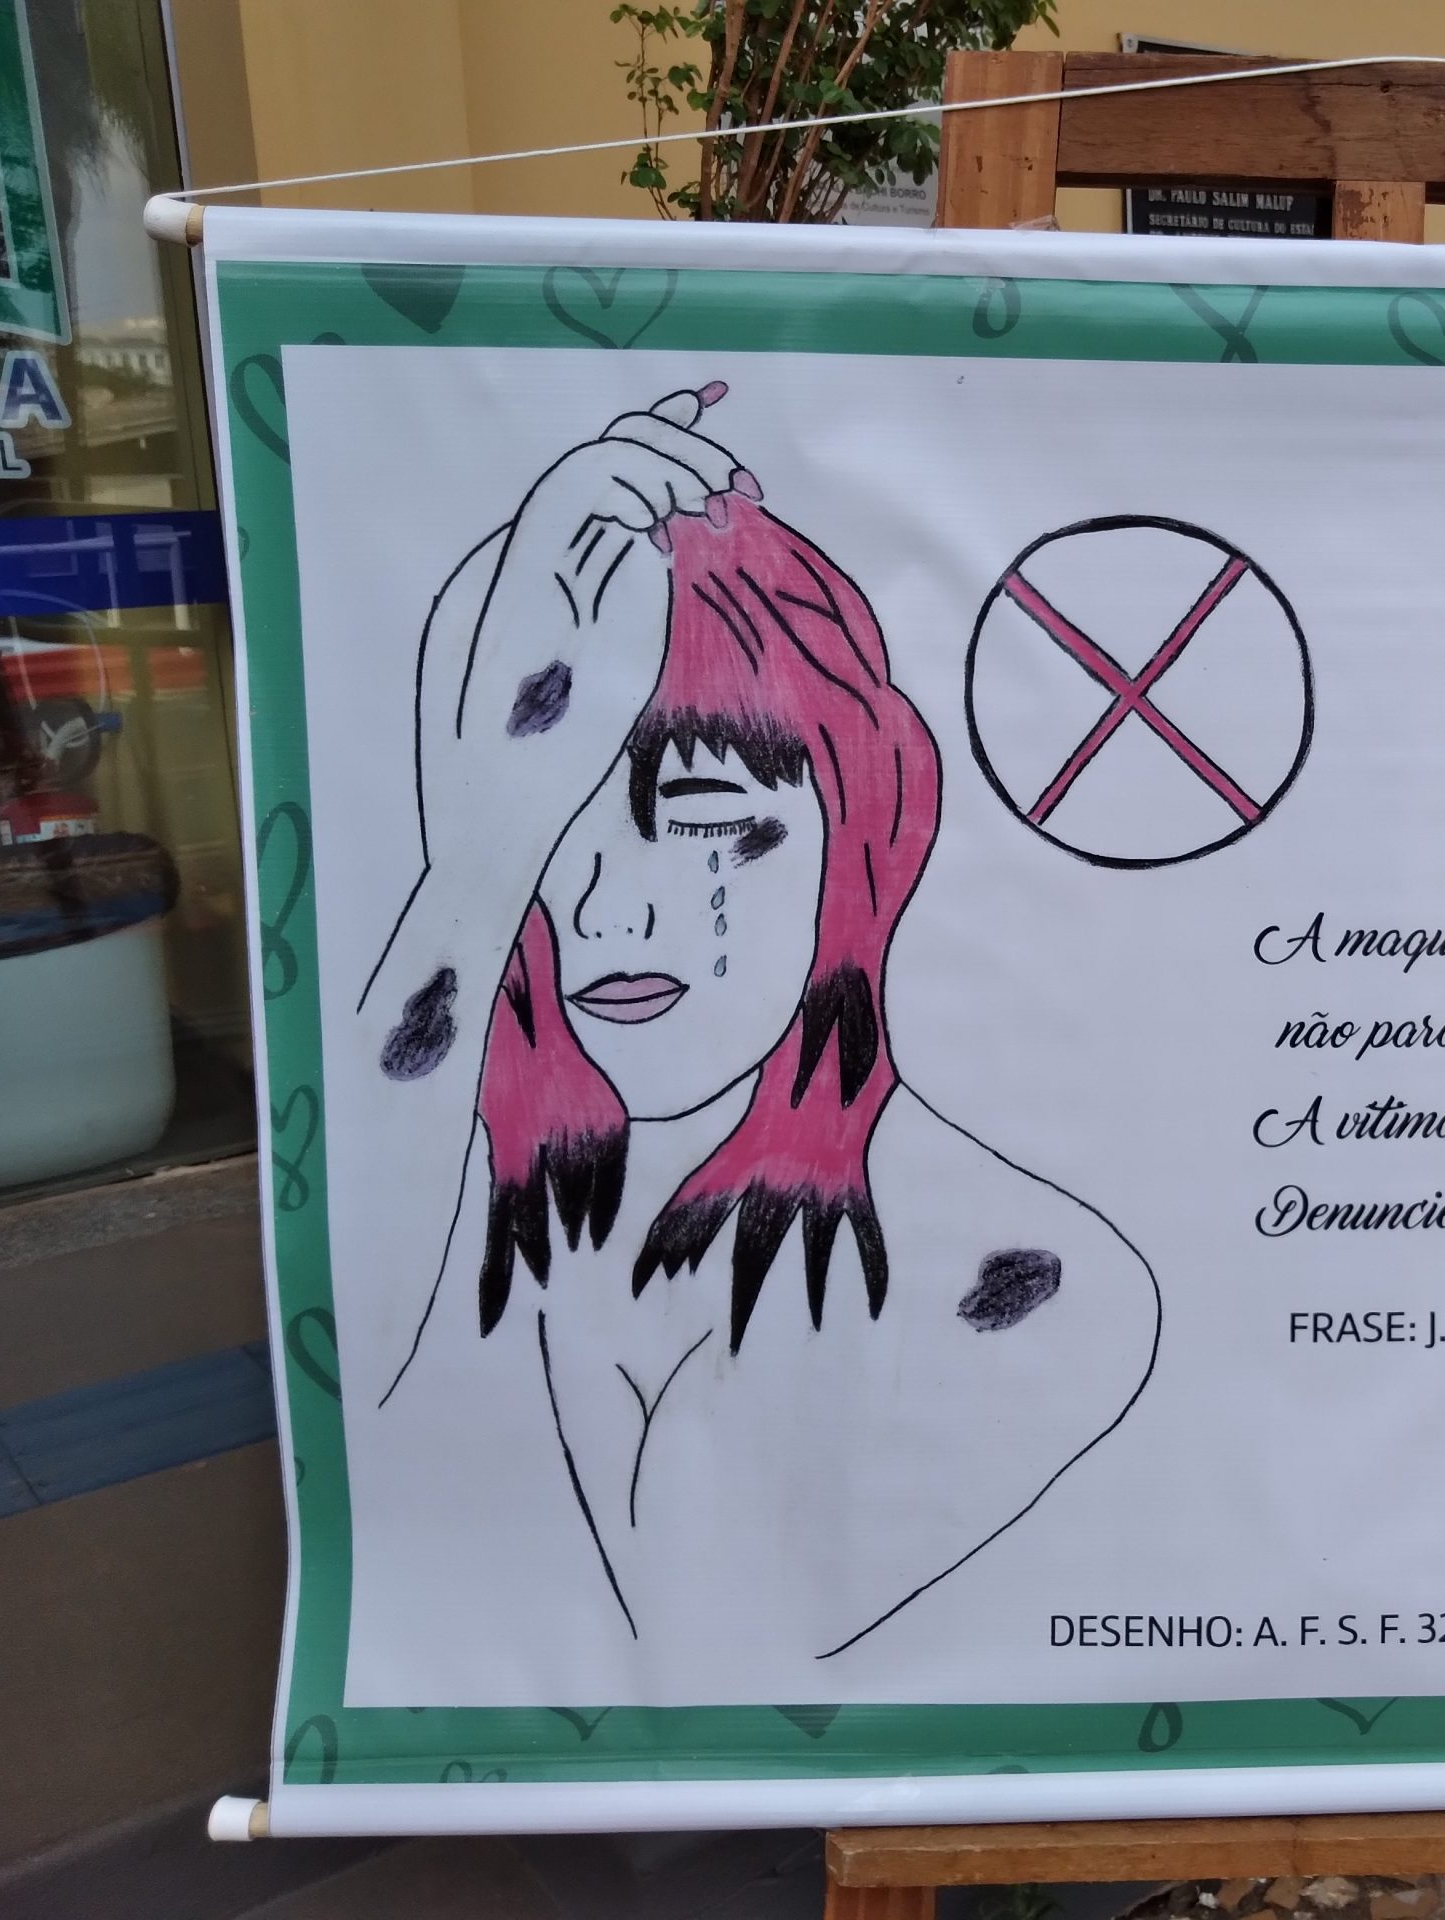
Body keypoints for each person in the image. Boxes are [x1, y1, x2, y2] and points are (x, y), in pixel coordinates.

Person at [337, 389, 1160, 1704]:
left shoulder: (1028, 1287)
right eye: (545, 829)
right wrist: (481, 845)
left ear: (862, 819)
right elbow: (354, 1453)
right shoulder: (471, 1215)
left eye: (704, 816)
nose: (604, 912)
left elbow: (698, 1663)